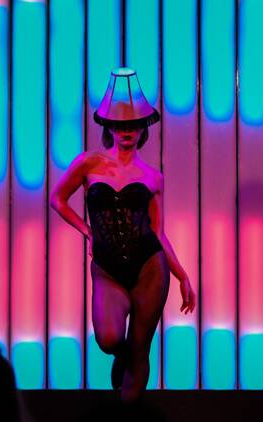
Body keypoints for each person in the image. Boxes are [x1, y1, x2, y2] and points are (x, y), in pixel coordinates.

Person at [50, 68, 195, 401]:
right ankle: (122, 356)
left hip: (149, 267)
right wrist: (88, 231)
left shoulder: (152, 176)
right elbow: (57, 199)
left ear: (143, 128)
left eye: (133, 125)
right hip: (107, 267)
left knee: (141, 348)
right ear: (109, 128)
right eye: (120, 125)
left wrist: (182, 275)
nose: (127, 131)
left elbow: (158, 231)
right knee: (110, 338)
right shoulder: (89, 163)